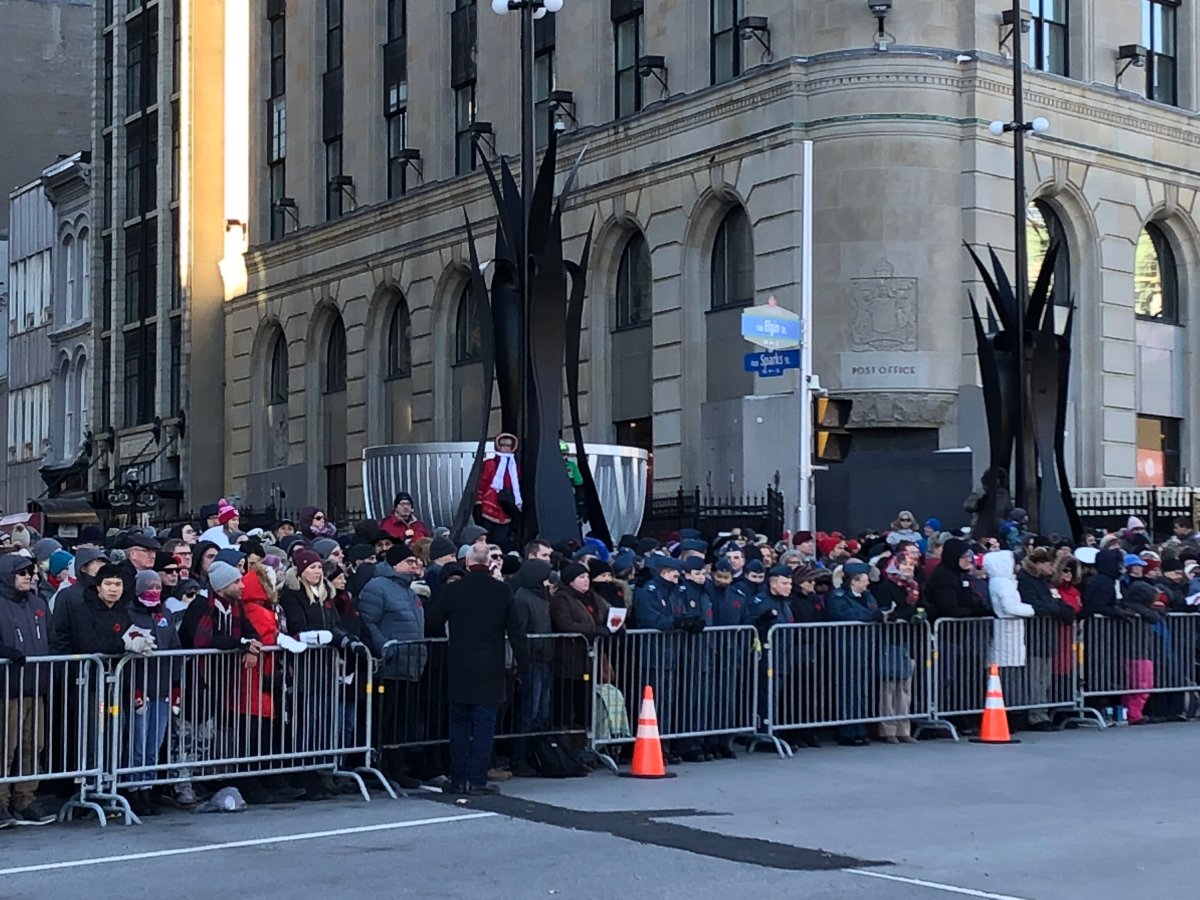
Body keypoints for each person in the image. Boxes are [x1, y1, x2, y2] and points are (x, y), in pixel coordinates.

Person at [424, 545, 529, 795]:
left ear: (467, 564)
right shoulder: (502, 591)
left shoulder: (454, 590)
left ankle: (459, 778)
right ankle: (478, 778)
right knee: (484, 725)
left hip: (459, 664)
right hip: (491, 667)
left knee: (458, 724)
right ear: (489, 564)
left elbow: (433, 622)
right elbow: (516, 631)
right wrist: (522, 665)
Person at [358, 545, 428, 789]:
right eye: (409, 561)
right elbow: (368, 622)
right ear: (395, 564)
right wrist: (385, 647)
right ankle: (380, 768)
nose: (415, 565)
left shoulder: (410, 591)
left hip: (410, 666)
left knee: (402, 722)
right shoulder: (378, 587)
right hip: (389, 667)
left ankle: (397, 768)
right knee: (384, 721)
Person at [0, 554, 56, 826]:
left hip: (36, 685)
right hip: (6, 687)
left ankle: (25, 797)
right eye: (21, 571)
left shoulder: (38, 603)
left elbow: (52, 637)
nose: (28, 576)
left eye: (31, 571)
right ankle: (0, 801)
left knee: (33, 744)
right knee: (4, 746)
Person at [824, 561, 885, 746]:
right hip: (846, 647)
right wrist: (870, 616)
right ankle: (847, 730)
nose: (867, 583)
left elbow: (873, 610)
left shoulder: (868, 596)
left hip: (865, 646)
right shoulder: (838, 596)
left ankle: (859, 726)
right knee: (847, 689)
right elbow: (844, 614)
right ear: (853, 581)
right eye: (864, 580)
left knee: (861, 689)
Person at [550, 562, 611, 734]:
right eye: (581, 577)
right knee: (566, 707)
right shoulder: (562, 599)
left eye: (587, 577)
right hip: (568, 660)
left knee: (585, 706)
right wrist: (593, 630)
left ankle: (584, 742)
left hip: (588, 661)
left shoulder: (593, 597)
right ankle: (566, 744)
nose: (586, 581)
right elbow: (565, 624)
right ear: (571, 581)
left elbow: (607, 612)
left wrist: (614, 625)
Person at [509, 559, 554, 777]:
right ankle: (519, 757)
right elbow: (521, 632)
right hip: (532, 662)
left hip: (544, 660)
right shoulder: (523, 599)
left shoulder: (542, 597)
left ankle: (535, 755)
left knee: (540, 713)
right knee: (529, 713)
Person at [475, 432, 523, 548]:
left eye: (508, 446)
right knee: (487, 537)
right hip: (489, 504)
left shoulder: (514, 466)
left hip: (507, 508)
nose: (506, 449)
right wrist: (478, 502)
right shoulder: (490, 464)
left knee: (502, 540)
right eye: (503, 445)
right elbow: (482, 483)